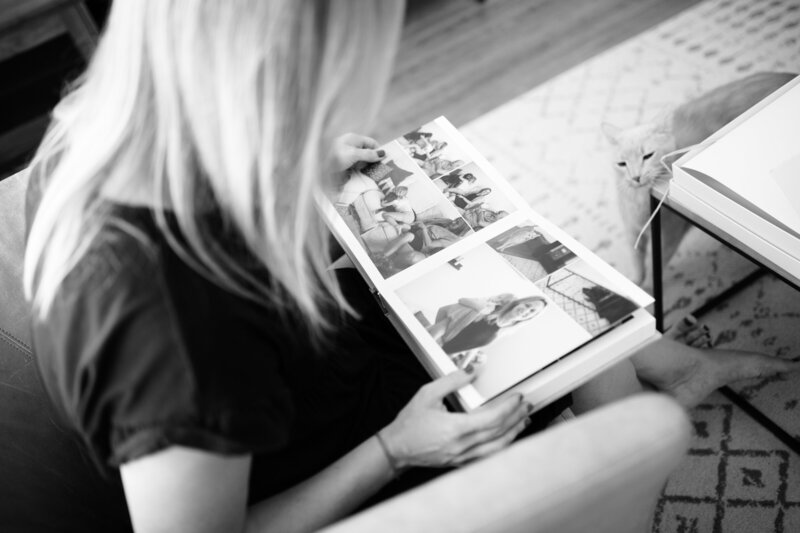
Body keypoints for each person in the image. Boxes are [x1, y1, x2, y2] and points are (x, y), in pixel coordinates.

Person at [22, 1, 800, 532]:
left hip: (306, 359)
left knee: (529, 254)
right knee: (576, 349)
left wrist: (294, 163)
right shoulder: (170, 323)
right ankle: (626, 439)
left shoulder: (103, 117)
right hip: (341, 450)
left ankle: (669, 363)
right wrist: (397, 448)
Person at [428, 295, 548, 354]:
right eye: (527, 305)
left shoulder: (506, 331)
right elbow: (460, 302)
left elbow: (475, 346)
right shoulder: (486, 310)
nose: (527, 311)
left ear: (532, 317)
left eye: (532, 311)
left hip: (447, 353)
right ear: (519, 303)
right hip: (435, 342)